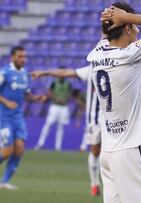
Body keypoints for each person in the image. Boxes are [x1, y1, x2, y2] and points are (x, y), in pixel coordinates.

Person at [88, 2, 141, 202]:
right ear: (126, 27)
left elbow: (106, 36)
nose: (138, 31)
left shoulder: (96, 54)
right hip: (133, 150)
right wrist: (128, 17)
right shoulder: (129, 55)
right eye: (135, 27)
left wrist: (110, 18)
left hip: (109, 151)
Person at [31, 65, 102, 196]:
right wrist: (45, 72)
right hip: (95, 119)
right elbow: (67, 72)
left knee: (113, 154)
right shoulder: (94, 68)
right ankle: (94, 185)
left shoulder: (120, 64)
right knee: (95, 150)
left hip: (116, 119)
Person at [0, 46, 47, 190]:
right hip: (4, 117)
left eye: (24, 56)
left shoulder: (25, 74)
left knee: (19, 149)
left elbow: (26, 93)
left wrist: (35, 97)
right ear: (12, 57)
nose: (23, 59)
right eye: (20, 56)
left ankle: (4, 182)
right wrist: (6, 101)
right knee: (7, 151)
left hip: (18, 117)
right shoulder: (4, 73)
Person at [35, 66, 72, 151]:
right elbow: (49, 92)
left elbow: (70, 93)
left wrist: (65, 99)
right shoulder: (54, 82)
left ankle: (58, 147)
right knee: (48, 124)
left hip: (64, 107)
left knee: (61, 127)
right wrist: (56, 99)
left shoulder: (68, 83)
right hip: (54, 106)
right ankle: (40, 144)